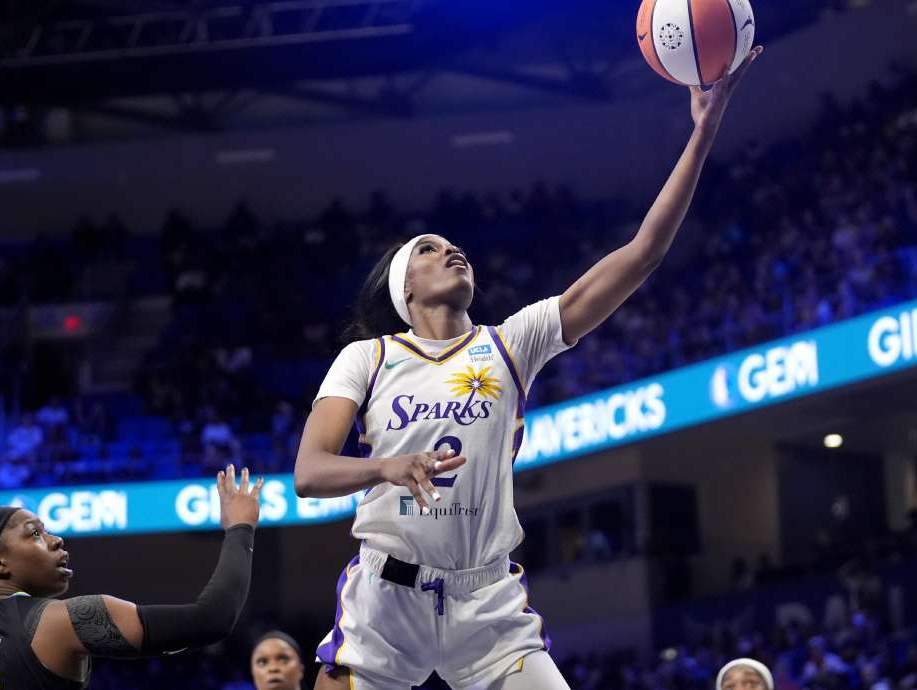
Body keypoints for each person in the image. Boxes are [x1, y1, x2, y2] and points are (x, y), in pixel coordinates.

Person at [295, 46, 762, 690]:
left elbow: (645, 252)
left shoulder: (512, 344)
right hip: (385, 600)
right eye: (429, 250)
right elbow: (309, 472)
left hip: (486, 603)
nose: (450, 249)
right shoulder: (368, 358)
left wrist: (703, 130)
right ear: (405, 288)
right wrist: (385, 466)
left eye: (452, 245)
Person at [0, 465, 263, 689]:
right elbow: (213, 617)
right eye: (34, 533)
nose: (55, 539)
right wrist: (240, 528)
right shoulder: (58, 622)